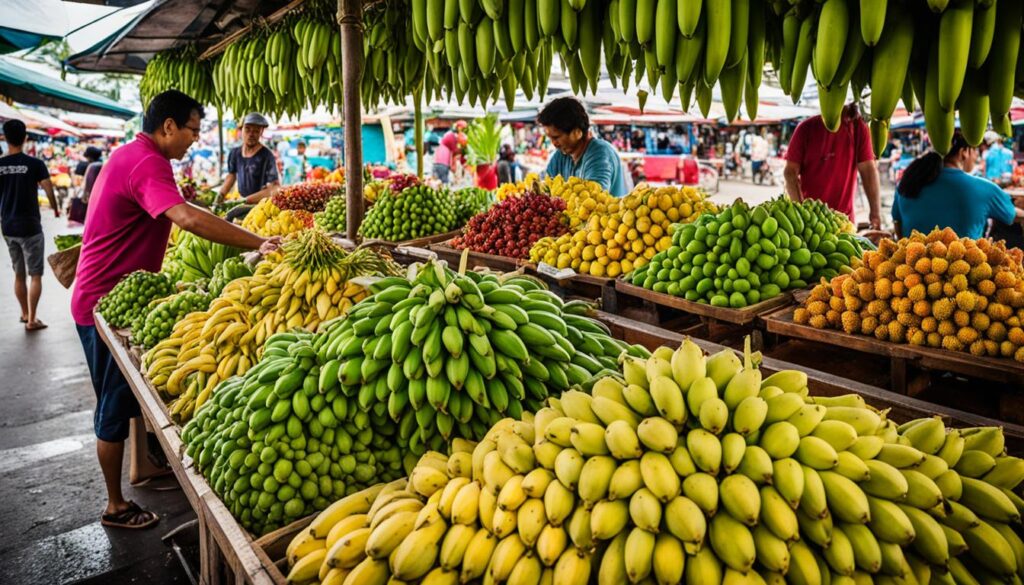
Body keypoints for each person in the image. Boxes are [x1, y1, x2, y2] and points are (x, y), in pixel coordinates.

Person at [71, 90, 280, 530]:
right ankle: (115, 506)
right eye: (192, 130)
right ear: (168, 126)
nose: (193, 140)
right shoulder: (147, 162)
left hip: (113, 292)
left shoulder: (134, 154)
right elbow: (185, 218)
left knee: (123, 394)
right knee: (110, 408)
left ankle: (141, 468)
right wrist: (257, 240)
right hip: (102, 302)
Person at [892, 132, 1021, 239]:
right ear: (964, 151)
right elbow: (1011, 215)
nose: (976, 156)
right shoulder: (983, 188)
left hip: (911, 268)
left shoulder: (908, 181)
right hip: (967, 269)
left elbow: (897, 224)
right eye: (975, 151)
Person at [1, 119, 59, 331]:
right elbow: (48, 187)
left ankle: (24, 313)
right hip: (30, 227)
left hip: (8, 227)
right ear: (25, 137)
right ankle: (33, 320)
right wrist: (55, 208)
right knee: (35, 274)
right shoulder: (35, 164)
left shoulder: (1, 165)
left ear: (5, 139)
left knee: (18, 273)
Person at [784, 104, 882, 229]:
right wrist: (801, 214)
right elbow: (790, 173)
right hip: (811, 223)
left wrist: (875, 214)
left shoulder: (858, 127)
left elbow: (868, 170)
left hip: (844, 223)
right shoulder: (806, 128)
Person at [538, 96, 627, 196]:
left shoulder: (600, 154)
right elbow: (546, 189)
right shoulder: (560, 156)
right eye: (550, 138)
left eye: (556, 137)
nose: (553, 143)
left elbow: (592, 200)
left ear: (577, 132)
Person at [218, 112, 279, 221]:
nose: (251, 134)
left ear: (261, 132)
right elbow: (231, 176)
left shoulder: (267, 155)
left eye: (256, 131)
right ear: (241, 130)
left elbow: (274, 187)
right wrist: (221, 194)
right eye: (247, 129)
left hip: (260, 206)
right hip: (240, 200)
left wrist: (246, 200)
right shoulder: (234, 153)